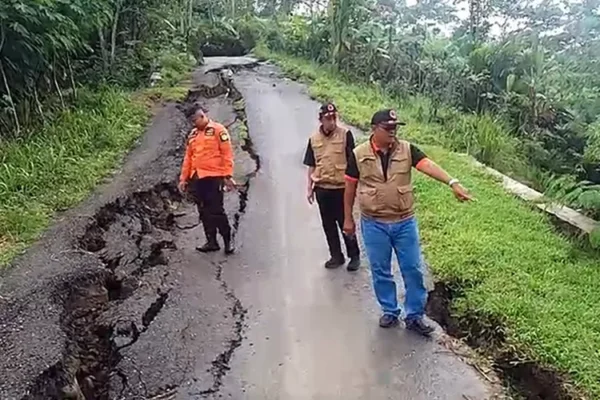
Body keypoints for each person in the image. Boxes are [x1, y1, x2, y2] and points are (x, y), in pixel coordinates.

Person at [343, 109, 472, 335]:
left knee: (412, 269)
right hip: (374, 224)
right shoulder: (358, 154)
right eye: (388, 128)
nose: (393, 132)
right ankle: (390, 310)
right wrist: (347, 219)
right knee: (380, 269)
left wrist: (453, 182)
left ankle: (414, 315)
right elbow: (350, 186)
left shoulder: (407, 149)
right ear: (374, 129)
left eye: (396, 127)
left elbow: (427, 165)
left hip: (404, 223)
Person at [303, 103, 361, 271]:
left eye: (334, 118)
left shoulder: (345, 135)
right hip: (322, 188)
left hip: (342, 188)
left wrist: (356, 186)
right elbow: (311, 165)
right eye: (328, 119)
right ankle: (336, 256)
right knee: (328, 225)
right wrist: (309, 188)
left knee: (346, 222)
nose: (332, 122)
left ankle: (354, 256)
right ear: (321, 119)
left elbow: (353, 162)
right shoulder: (313, 140)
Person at [179, 106, 236, 255]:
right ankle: (211, 241)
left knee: (217, 211)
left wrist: (228, 176)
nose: (193, 124)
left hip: (214, 177)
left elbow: (227, 154)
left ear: (202, 116)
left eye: (194, 120)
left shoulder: (218, 130)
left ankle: (228, 241)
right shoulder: (192, 135)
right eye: (191, 121)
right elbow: (188, 158)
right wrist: (183, 179)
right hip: (197, 178)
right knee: (203, 211)